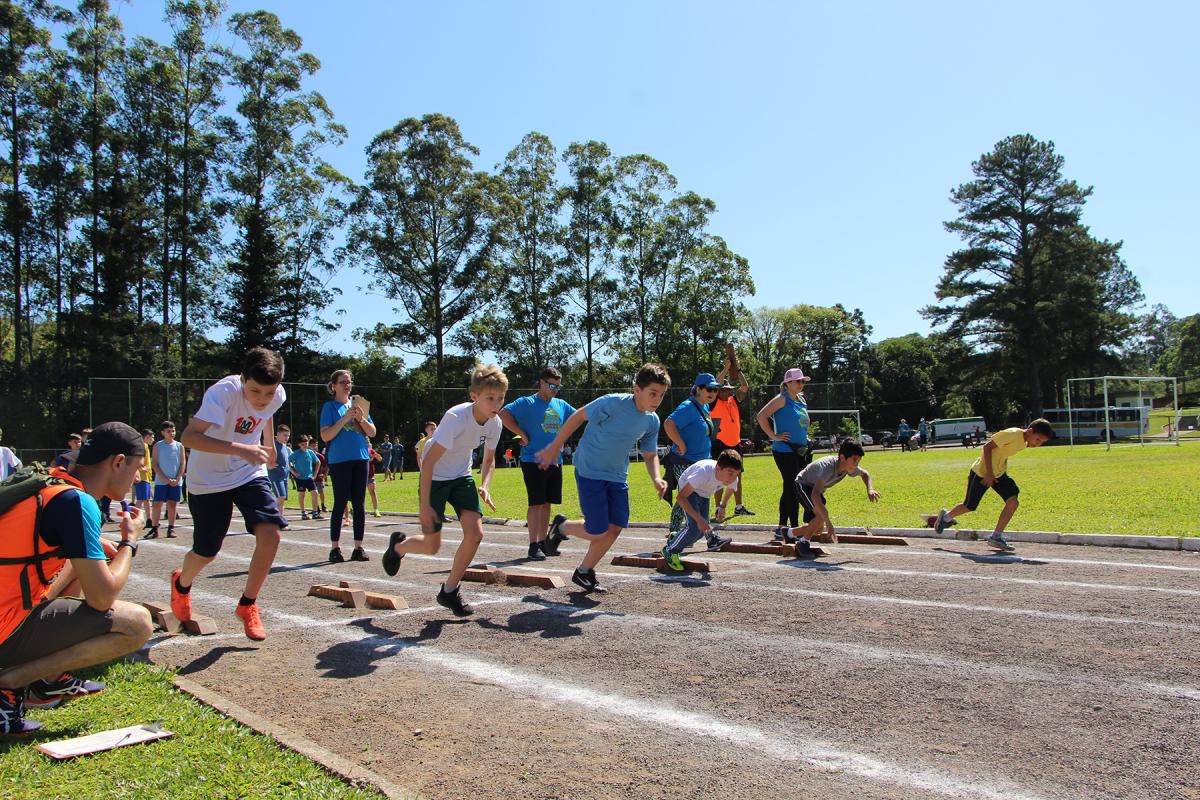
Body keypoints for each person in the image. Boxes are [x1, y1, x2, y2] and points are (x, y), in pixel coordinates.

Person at [0, 422, 153, 735]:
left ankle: (49, 683)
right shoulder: (77, 502)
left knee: (79, 562)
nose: (137, 477)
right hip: (5, 626)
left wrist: (93, 545)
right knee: (137, 624)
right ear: (118, 462)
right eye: (137, 467)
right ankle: (9, 685)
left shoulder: (53, 481)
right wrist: (129, 542)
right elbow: (102, 597)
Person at [168, 348, 288, 641]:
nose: (261, 399)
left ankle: (248, 605)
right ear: (243, 379)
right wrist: (239, 448)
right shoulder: (224, 392)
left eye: (268, 392)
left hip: (248, 472)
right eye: (254, 391)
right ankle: (181, 584)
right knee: (206, 552)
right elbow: (189, 437)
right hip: (208, 479)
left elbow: (267, 415)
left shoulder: (278, 395)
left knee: (271, 533)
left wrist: (268, 444)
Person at [381, 365, 507, 616]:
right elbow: (428, 462)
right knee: (431, 546)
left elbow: (489, 459)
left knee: (475, 534)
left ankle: (449, 591)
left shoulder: (495, 424)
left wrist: (485, 484)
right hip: (436, 477)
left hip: (462, 477)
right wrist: (425, 505)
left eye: (501, 398)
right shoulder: (456, 418)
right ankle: (398, 547)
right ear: (474, 396)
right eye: (490, 398)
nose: (496, 404)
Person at [539, 364, 671, 594]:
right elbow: (579, 416)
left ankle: (584, 571)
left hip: (618, 474)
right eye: (653, 393)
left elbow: (650, 455)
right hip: (590, 469)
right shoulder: (612, 403)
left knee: (616, 526)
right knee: (598, 529)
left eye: (661, 394)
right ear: (636, 389)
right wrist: (556, 445)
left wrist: (657, 478)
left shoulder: (652, 420)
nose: (657, 399)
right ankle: (562, 527)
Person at [933, 419, 1056, 552]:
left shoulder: (1023, 443)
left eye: (1041, 443)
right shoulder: (1013, 434)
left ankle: (996, 537)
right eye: (1038, 440)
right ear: (1030, 431)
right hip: (981, 473)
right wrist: (989, 474)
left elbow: (1003, 454)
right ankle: (945, 517)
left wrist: (1000, 472)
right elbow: (987, 447)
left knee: (1013, 502)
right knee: (969, 506)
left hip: (999, 474)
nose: (1038, 445)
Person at [499, 366, 577, 561]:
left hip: (555, 461)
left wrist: (563, 439)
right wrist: (522, 434)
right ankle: (533, 545)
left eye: (558, 386)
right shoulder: (526, 402)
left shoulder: (561, 404)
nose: (555, 389)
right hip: (532, 459)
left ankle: (544, 543)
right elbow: (503, 414)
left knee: (547, 503)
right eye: (552, 385)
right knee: (536, 503)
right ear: (541, 383)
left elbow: (578, 418)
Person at [662, 373, 727, 551]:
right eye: (709, 389)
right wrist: (680, 443)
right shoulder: (688, 406)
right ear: (698, 389)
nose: (713, 392)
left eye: (715, 389)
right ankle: (709, 537)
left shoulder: (703, 407)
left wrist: (726, 369)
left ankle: (675, 534)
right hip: (684, 462)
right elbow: (669, 423)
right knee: (694, 499)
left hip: (699, 462)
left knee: (684, 501)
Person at [786, 439, 880, 556]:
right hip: (802, 485)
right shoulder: (827, 468)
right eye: (854, 460)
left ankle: (789, 533)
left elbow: (865, 474)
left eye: (859, 460)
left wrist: (870, 489)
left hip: (815, 489)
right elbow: (814, 495)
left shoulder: (848, 468)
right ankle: (803, 543)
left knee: (818, 528)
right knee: (821, 515)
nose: (856, 464)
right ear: (842, 457)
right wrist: (829, 523)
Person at [320, 370, 376, 563]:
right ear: (333, 385)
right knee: (340, 502)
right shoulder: (329, 407)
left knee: (359, 504)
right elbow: (325, 435)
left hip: (360, 458)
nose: (347, 385)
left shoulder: (359, 405)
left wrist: (360, 418)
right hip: (339, 460)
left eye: (349, 381)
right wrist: (345, 418)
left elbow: (373, 432)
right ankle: (335, 548)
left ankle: (358, 547)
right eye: (343, 382)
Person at [660, 450, 744, 571]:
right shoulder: (703, 473)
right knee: (695, 527)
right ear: (718, 468)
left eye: (736, 474)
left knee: (701, 531)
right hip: (689, 489)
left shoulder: (732, 477)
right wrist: (698, 519)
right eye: (730, 473)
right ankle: (669, 551)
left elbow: (731, 488)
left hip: (705, 493)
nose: (733, 478)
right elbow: (681, 498)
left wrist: (722, 507)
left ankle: (676, 538)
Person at [756, 368, 812, 541]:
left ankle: (782, 524)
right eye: (797, 381)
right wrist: (773, 436)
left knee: (792, 486)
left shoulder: (801, 400)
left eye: (802, 381)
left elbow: (802, 422)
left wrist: (806, 437)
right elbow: (761, 416)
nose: (801, 384)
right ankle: (793, 527)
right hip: (785, 450)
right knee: (794, 485)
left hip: (801, 449)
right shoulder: (781, 399)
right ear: (787, 383)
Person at [709, 363, 754, 517]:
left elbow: (745, 386)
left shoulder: (733, 401)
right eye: (724, 389)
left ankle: (739, 506)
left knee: (737, 475)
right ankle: (717, 507)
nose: (727, 392)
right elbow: (716, 381)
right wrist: (727, 368)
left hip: (735, 443)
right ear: (718, 390)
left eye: (728, 390)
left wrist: (738, 369)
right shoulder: (713, 402)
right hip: (719, 443)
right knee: (719, 476)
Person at [147, 421, 186, 539]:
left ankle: (171, 528)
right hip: (161, 481)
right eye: (168, 431)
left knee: (172, 504)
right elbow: (154, 464)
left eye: (173, 430)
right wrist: (164, 478)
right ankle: (154, 529)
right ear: (163, 432)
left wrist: (178, 478)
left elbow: (182, 463)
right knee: (157, 504)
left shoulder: (179, 446)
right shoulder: (158, 446)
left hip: (176, 481)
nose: (172, 433)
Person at [289, 435, 321, 520]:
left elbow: (318, 462)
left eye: (306, 443)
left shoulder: (310, 452)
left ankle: (315, 513)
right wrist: (294, 472)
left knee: (315, 493)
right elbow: (287, 462)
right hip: (300, 478)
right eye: (302, 444)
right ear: (299, 444)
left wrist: (315, 474)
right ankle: (303, 513)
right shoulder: (296, 453)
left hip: (309, 477)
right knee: (302, 494)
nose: (305, 445)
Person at [268, 425, 291, 516]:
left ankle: (280, 520)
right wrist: (268, 466)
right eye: (285, 435)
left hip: (284, 476)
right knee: (280, 497)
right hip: (276, 476)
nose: (287, 438)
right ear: (278, 434)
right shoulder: (274, 446)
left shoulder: (285, 446)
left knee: (282, 498)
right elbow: (265, 456)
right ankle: (269, 512)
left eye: (288, 435)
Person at [132, 429, 154, 520]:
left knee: (146, 500)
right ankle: (131, 518)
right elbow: (138, 459)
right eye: (152, 437)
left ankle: (149, 519)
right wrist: (142, 468)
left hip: (145, 477)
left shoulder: (145, 446)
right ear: (147, 437)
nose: (153, 439)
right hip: (142, 477)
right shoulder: (143, 446)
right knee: (141, 500)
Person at [312, 441, 329, 513]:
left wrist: (325, 475)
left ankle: (323, 505)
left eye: (316, 445)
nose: (315, 447)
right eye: (313, 445)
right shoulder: (308, 455)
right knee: (313, 493)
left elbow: (326, 466)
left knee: (321, 492)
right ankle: (316, 507)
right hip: (311, 478)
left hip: (319, 478)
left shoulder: (320, 456)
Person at [366, 444, 382, 518]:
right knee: (360, 495)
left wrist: (377, 456)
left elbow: (380, 459)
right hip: (360, 476)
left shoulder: (371, 451)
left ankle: (376, 510)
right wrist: (370, 459)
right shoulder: (358, 451)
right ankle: (358, 511)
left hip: (370, 476)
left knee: (373, 492)